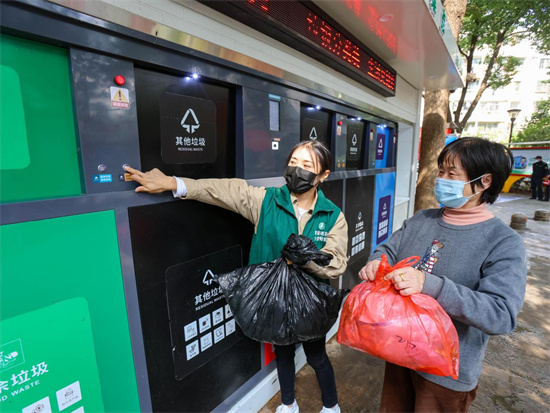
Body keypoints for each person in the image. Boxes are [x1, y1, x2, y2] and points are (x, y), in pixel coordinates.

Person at [125, 140, 348, 413]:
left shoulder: (333, 216)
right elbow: (223, 190)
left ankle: (330, 407)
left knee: (317, 357)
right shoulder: (265, 200)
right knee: (284, 353)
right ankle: (288, 405)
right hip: (272, 301)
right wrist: (174, 183)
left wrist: (308, 258)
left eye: (306, 166)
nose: (296, 170)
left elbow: (336, 263)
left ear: (323, 175)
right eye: (293, 163)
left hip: (309, 303)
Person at [358, 137, 527, 412]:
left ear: (485, 182)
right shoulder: (421, 219)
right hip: (398, 351)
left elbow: (500, 315)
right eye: (440, 172)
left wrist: (429, 285)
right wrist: (376, 262)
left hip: (447, 374)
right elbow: (386, 249)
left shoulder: (503, 241)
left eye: (452, 174)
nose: (441, 179)